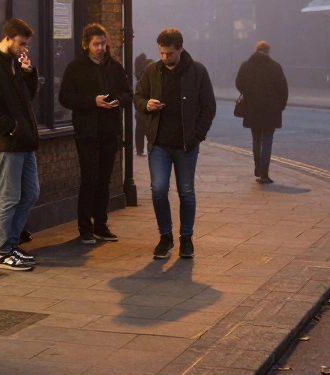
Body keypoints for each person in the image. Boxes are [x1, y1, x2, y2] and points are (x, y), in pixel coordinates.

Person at [134, 28, 215, 260]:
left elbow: (209, 106)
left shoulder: (197, 71)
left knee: (186, 191)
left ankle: (186, 239)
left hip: (186, 145)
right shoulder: (151, 71)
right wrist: (145, 105)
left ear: (180, 49)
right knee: (158, 189)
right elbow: (138, 97)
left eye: (170, 53)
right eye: (162, 53)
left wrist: (197, 135)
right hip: (159, 143)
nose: (165, 58)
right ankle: (165, 237)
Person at [0, 18, 41, 272]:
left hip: (23, 141)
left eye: (26, 45)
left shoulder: (14, 63)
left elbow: (27, 98)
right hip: (6, 142)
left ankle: (11, 244)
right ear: (8, 38)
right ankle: (1, 252)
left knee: (31, 192)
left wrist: (28, 72)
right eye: (21, 44)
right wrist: (12, 128)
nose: (24, 49)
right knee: (10, 196)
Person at [59, 23, 131, 245]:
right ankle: (84, 228)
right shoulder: (76, 68)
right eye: (96, 44)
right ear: (86, 44)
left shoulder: (114, 67)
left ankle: (101, 225)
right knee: (89, 179)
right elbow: (65, 97)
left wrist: (118, 100)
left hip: (109, 132)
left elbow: (129, 94)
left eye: (103, 43)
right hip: (87, 133)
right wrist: (93, 101)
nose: (100, 48)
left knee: (104, 180)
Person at [235, 41, 289, 184]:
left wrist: (248, 93)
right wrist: (281, 106)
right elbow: (283, 89)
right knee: (267, 140)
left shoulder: (246, 66)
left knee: (256, 139)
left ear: (256, 50)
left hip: (252, 107)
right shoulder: (275, 67)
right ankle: (264, 173)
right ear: (268, 51)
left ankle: (257, 166)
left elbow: (238, 83)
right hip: (271, 109)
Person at [133, 52, 153, 156]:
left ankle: (141, 149)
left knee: (140, 130)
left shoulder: (140, 77)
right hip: (145, 109)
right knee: (145, 129)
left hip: (142, 109)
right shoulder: (145, 79)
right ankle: (144, 149)